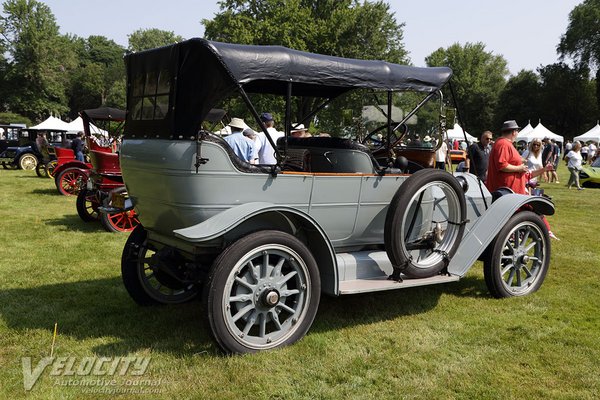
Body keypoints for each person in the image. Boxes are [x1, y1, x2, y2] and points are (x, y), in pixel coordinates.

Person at [486, 120, 558, 239]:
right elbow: (502, 165)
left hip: (513, 193)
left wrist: (544, 169)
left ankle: (545, 232)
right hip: (508, 193)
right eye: (517, 131)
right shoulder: (503, 144)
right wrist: (519, 167)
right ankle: (540, 233)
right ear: (514, 132)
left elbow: (526, 175)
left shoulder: (504, 144)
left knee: (534, 211)